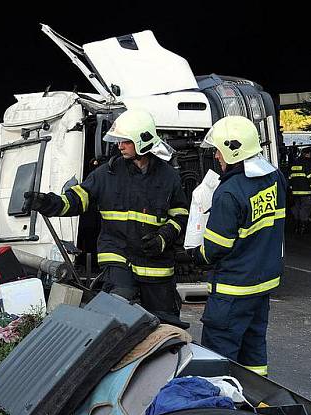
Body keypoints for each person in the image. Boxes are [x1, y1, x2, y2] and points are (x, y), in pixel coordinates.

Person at [24, 109, 189, 327]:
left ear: (143, 141)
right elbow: (78, 199)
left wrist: (163, 237)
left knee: (166, 323)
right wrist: (48, 203)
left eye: (126, 141)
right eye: (119, 141)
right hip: (117, 254)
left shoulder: (169, 177)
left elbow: (180, 214)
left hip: (155, 264)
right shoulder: (106, 174)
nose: (120, 146)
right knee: (119, 309)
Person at [190, 116, 286, 377]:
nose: (217, 156)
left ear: (232, 150)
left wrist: (194, 255)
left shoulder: (229, 191)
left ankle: (221, 413)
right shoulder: (275, 178)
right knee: (253, 355)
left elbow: (215, 248)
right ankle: (253, 406)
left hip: (232, 290)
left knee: (218, 358)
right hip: (261, 287)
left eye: (219, 150)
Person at [288, 146, 311, 234]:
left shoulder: (294, 163)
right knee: (305, 209)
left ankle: (296, 226)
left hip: (295, 192)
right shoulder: (308, 164)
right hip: (306, 192)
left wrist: (291, 189)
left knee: (297, 208)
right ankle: (302, 227)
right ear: (307, 154)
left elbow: (290, 178)